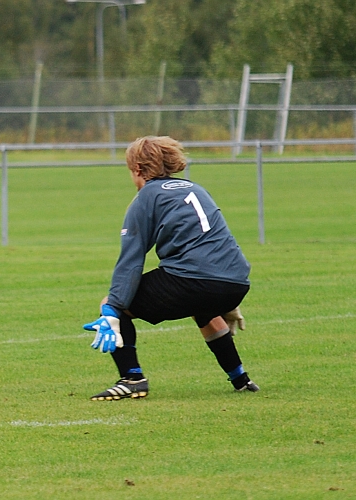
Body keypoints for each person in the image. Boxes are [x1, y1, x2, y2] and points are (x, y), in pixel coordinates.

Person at [84, 136, 258, 401]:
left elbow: (131, 260)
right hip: (236, 281)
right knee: (202, 309)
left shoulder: (147, 197)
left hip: (195, 280)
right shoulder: (195, 189)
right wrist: (225, 296)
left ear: (139, 170)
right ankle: (240, 379)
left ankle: (132, 379)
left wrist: (112, 309)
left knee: (115, 304)